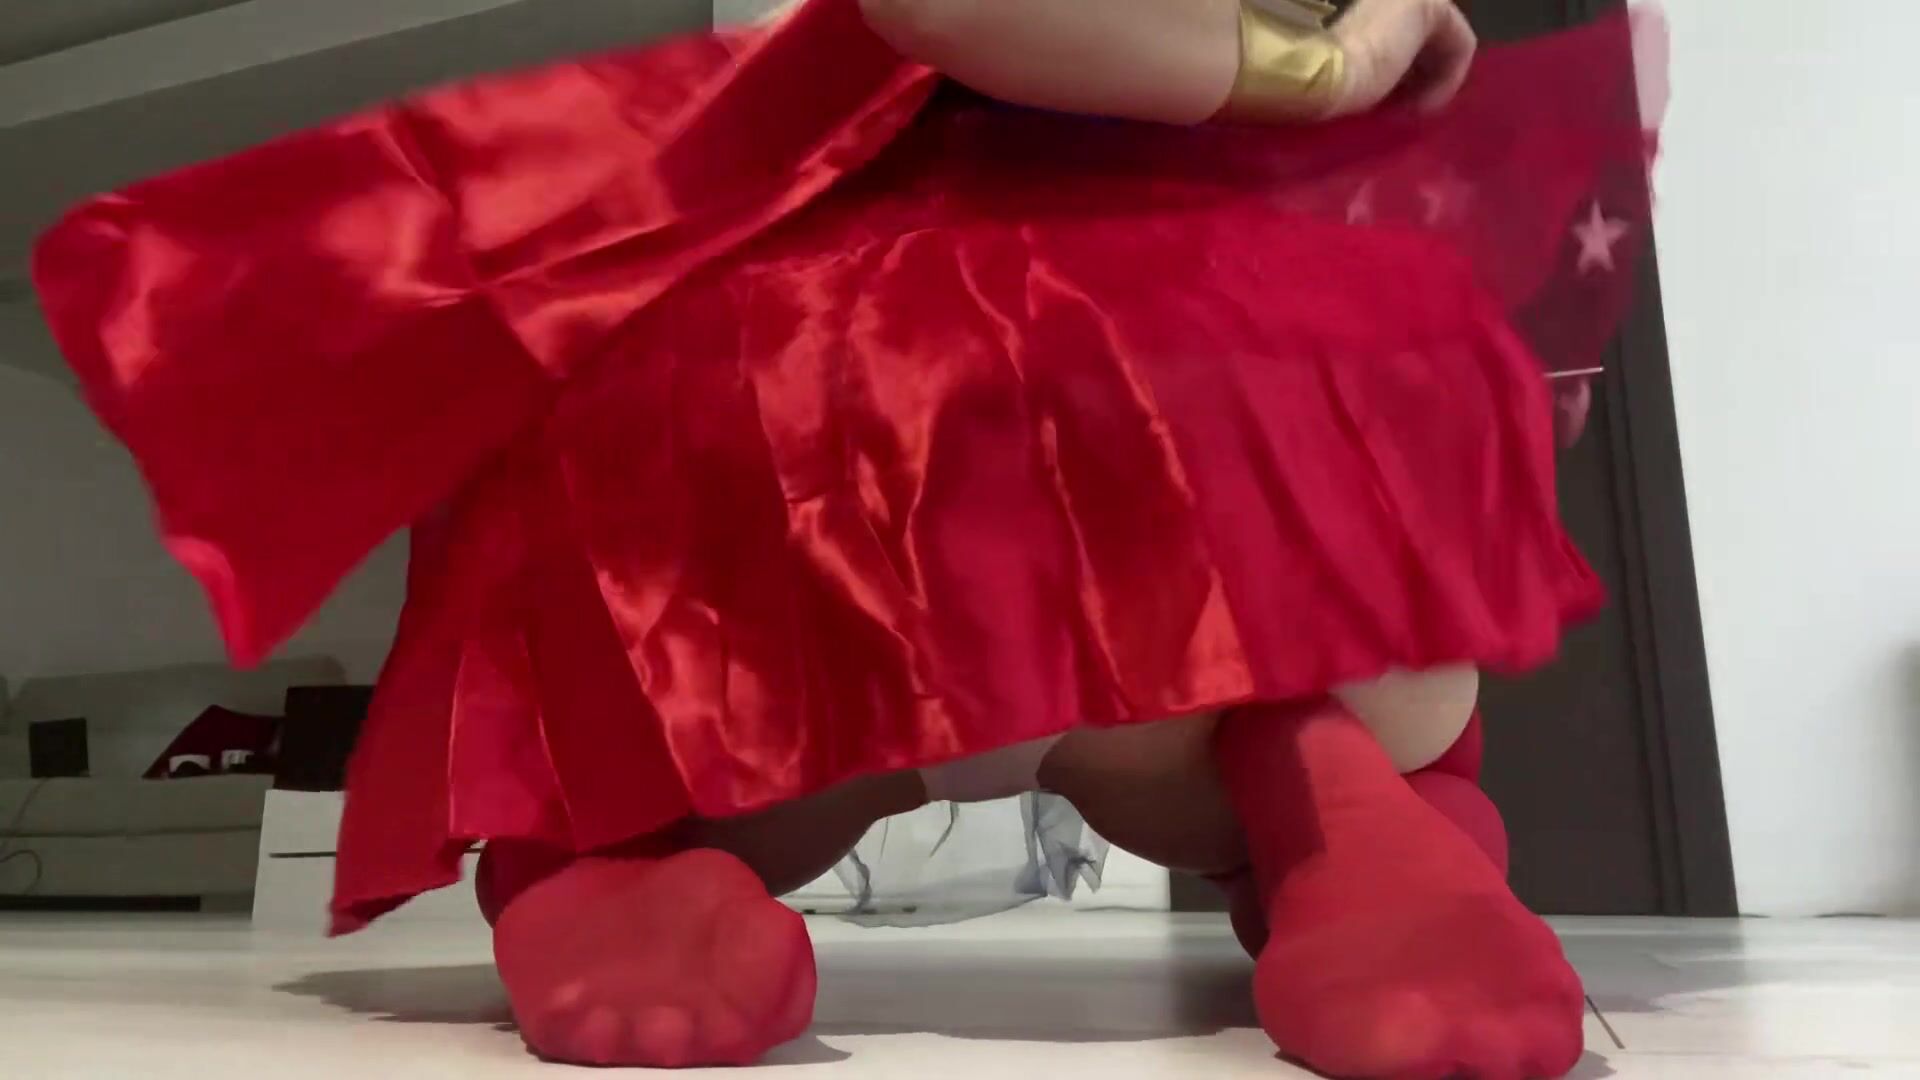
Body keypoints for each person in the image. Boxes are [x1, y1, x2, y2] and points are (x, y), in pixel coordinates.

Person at [33, 0, 1661, 1075]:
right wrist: (1333, 61)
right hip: (960, 339)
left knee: (1297, 481)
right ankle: (1334, 808)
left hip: (1062, 349)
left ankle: (1343, 821)